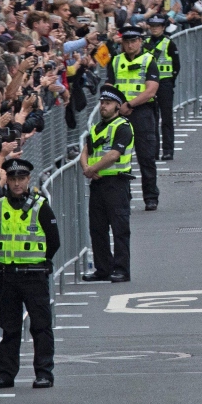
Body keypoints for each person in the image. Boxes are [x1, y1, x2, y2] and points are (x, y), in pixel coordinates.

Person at [0, 157, 59, 389]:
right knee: (9, 327)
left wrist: (40, 262)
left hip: (34, 275)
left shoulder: (41, 205)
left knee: (40, 326)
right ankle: (6, 374)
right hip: (8, 277)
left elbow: (53, 241)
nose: (17, 184)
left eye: (21, 179)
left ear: (28, 180)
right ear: (8, 181)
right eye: (13, 179)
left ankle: (44, 373)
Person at [83, 87, 134, 283]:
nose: (103, 106)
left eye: (108, 103)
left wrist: (91, 169)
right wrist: (87, 167)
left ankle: (121, 269)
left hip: (117, 183)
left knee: (119, 228)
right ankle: (102, 268)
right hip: (98, 183)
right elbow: (85, 151)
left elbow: (114, 155)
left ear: (117, 106)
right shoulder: (96, 128)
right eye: (102, 103)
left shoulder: (123, 126)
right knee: (97, 228)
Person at [110, 25, 161, 211]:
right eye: (127, 42)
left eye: (133, 41)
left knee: (146, 156)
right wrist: (117, 107)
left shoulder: (149, 60)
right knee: (120, 157)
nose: (130, 45)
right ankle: (123, 196)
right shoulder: (116, 61)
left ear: (140, 41)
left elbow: (151, 90)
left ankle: (150, 196)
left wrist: (130, 104)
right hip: (120, 114)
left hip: (142, 113)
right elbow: (109, 87)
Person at [145, 14, 180, 162]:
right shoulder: (145, 43)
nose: (154, 29)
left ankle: (167, 150)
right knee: (152, 120)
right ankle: (153, 151)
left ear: (163, 28)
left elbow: (176, 66)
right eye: (152, 27)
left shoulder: (169, 43)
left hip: (164, 84)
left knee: (166, 119)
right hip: (149, 86)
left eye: (157, 27)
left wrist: (170, 81)